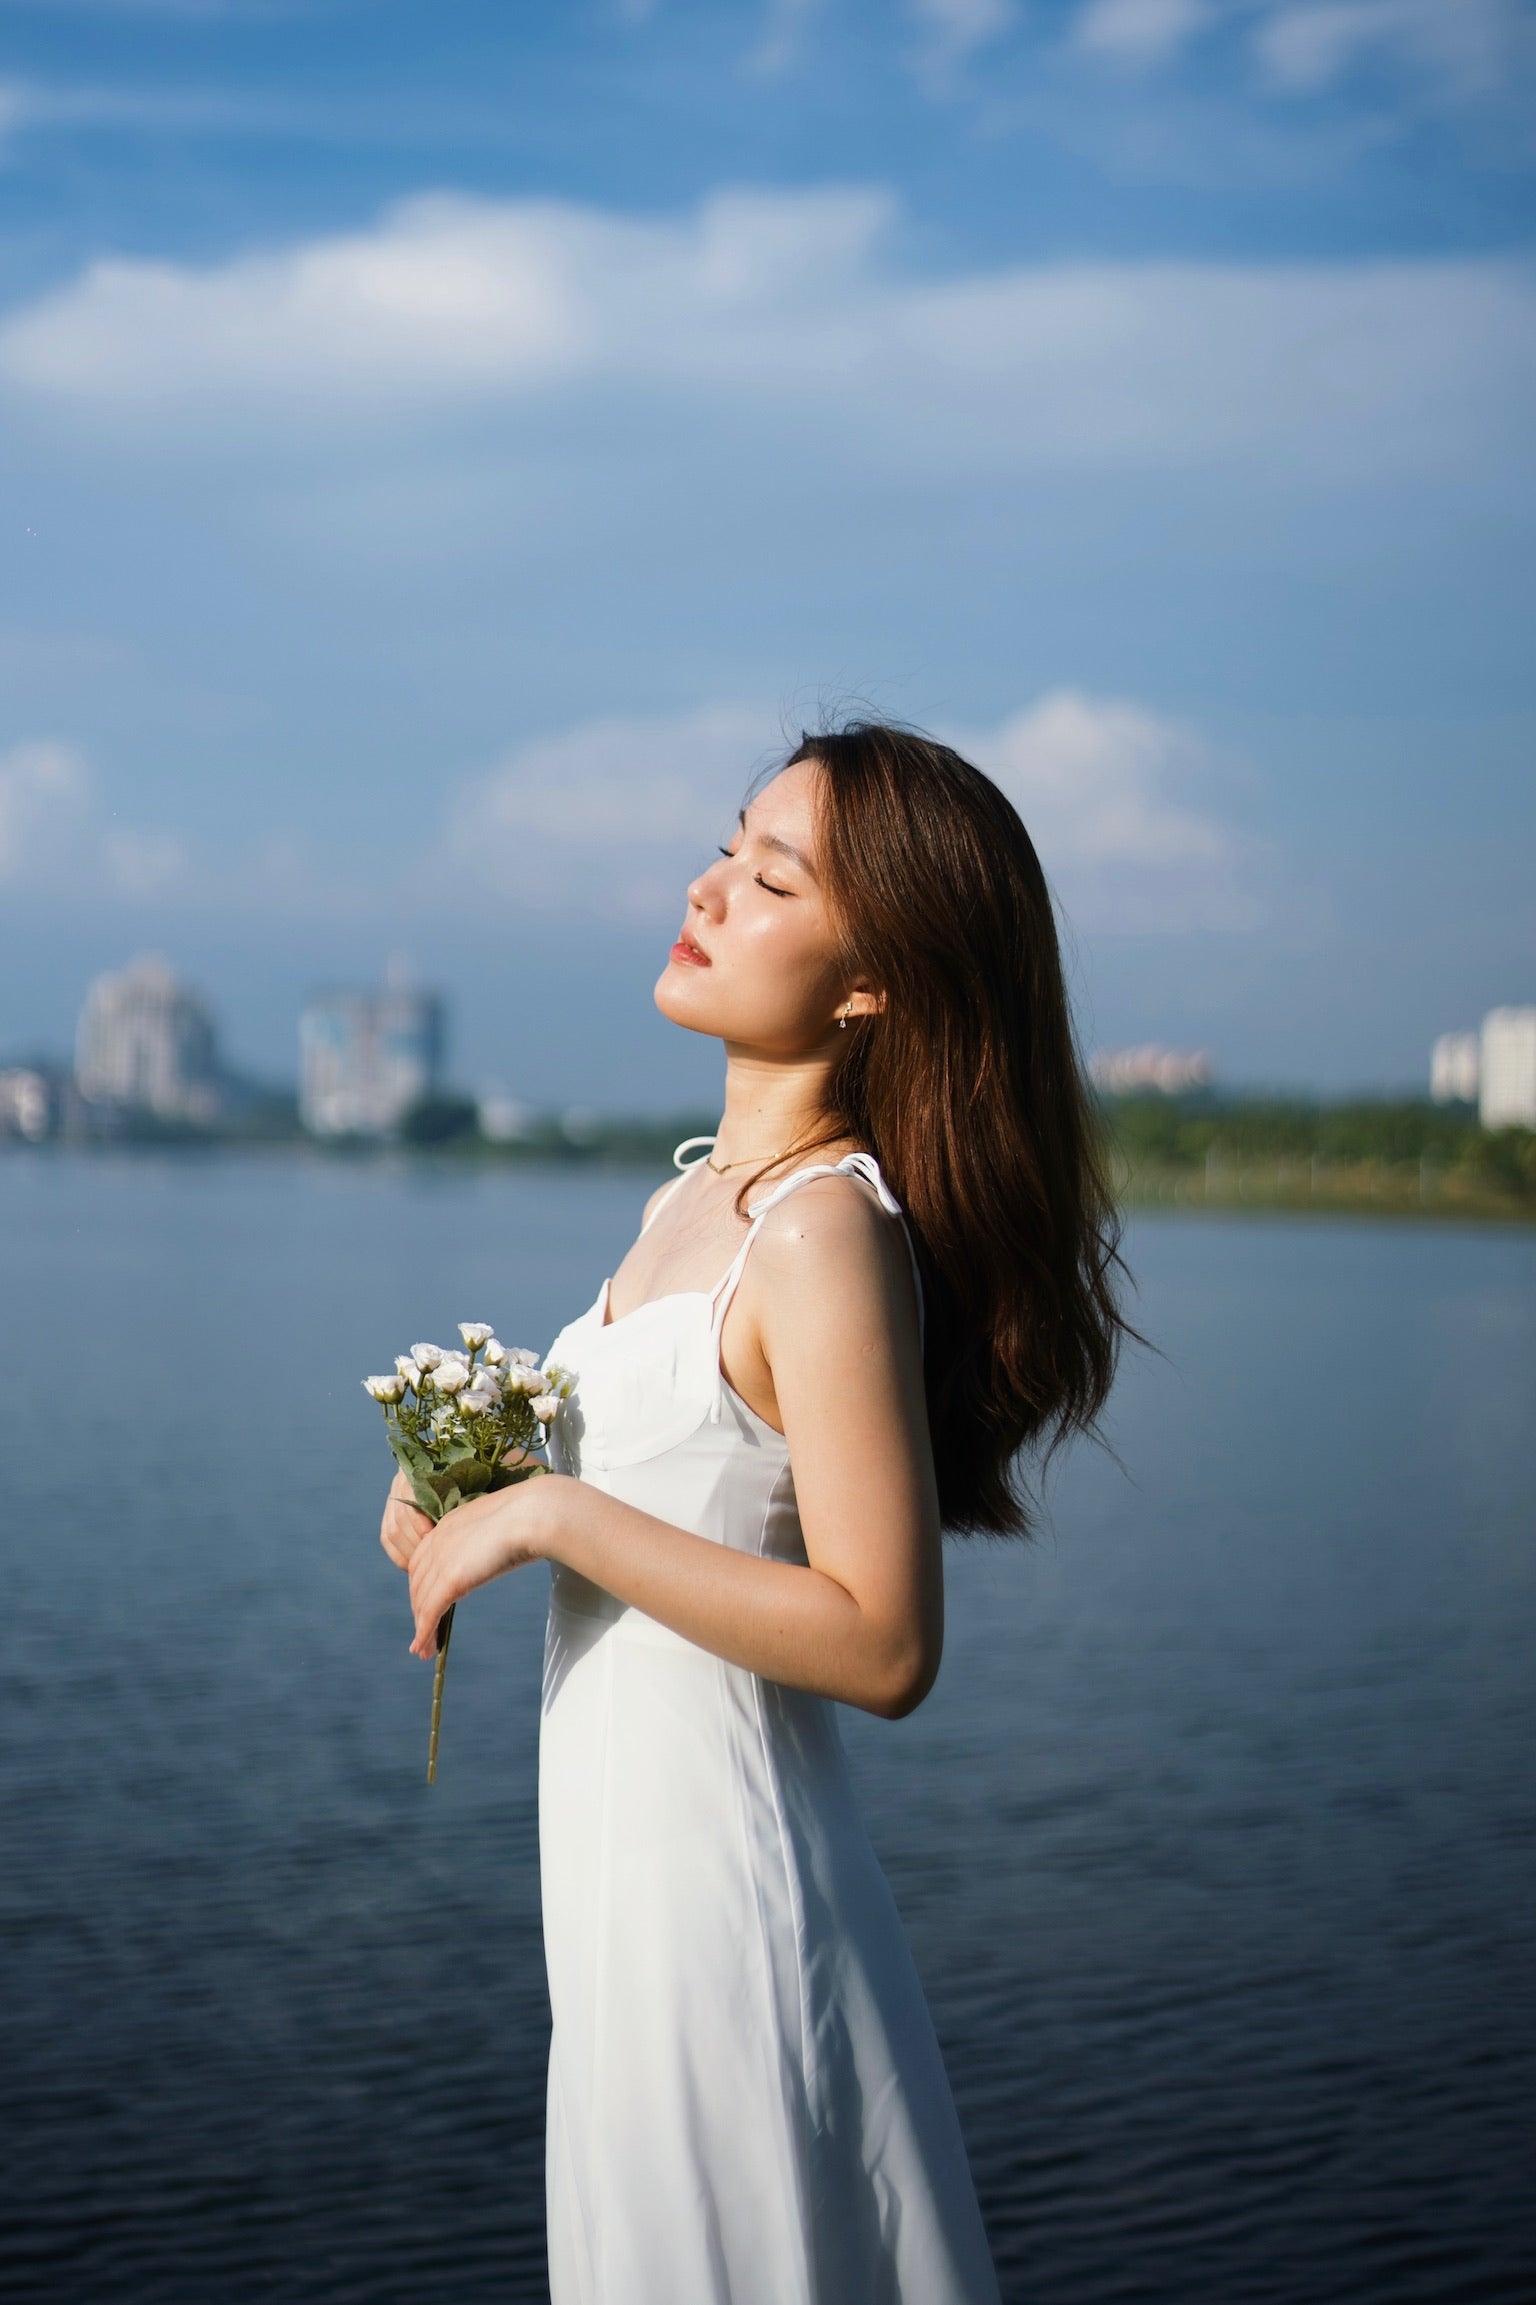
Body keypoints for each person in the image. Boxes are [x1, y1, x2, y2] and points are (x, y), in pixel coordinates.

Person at [380, 722, 1129, 2304]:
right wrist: (472, 1485)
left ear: (870, 983)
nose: (710, 885)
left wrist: (557, 1521)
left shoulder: (820, 1234)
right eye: (731, 842)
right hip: (617, 1910)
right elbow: (675, 1490)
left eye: (772, 875)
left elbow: (884, 1638)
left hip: (721, 1910)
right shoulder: (685, 1200)